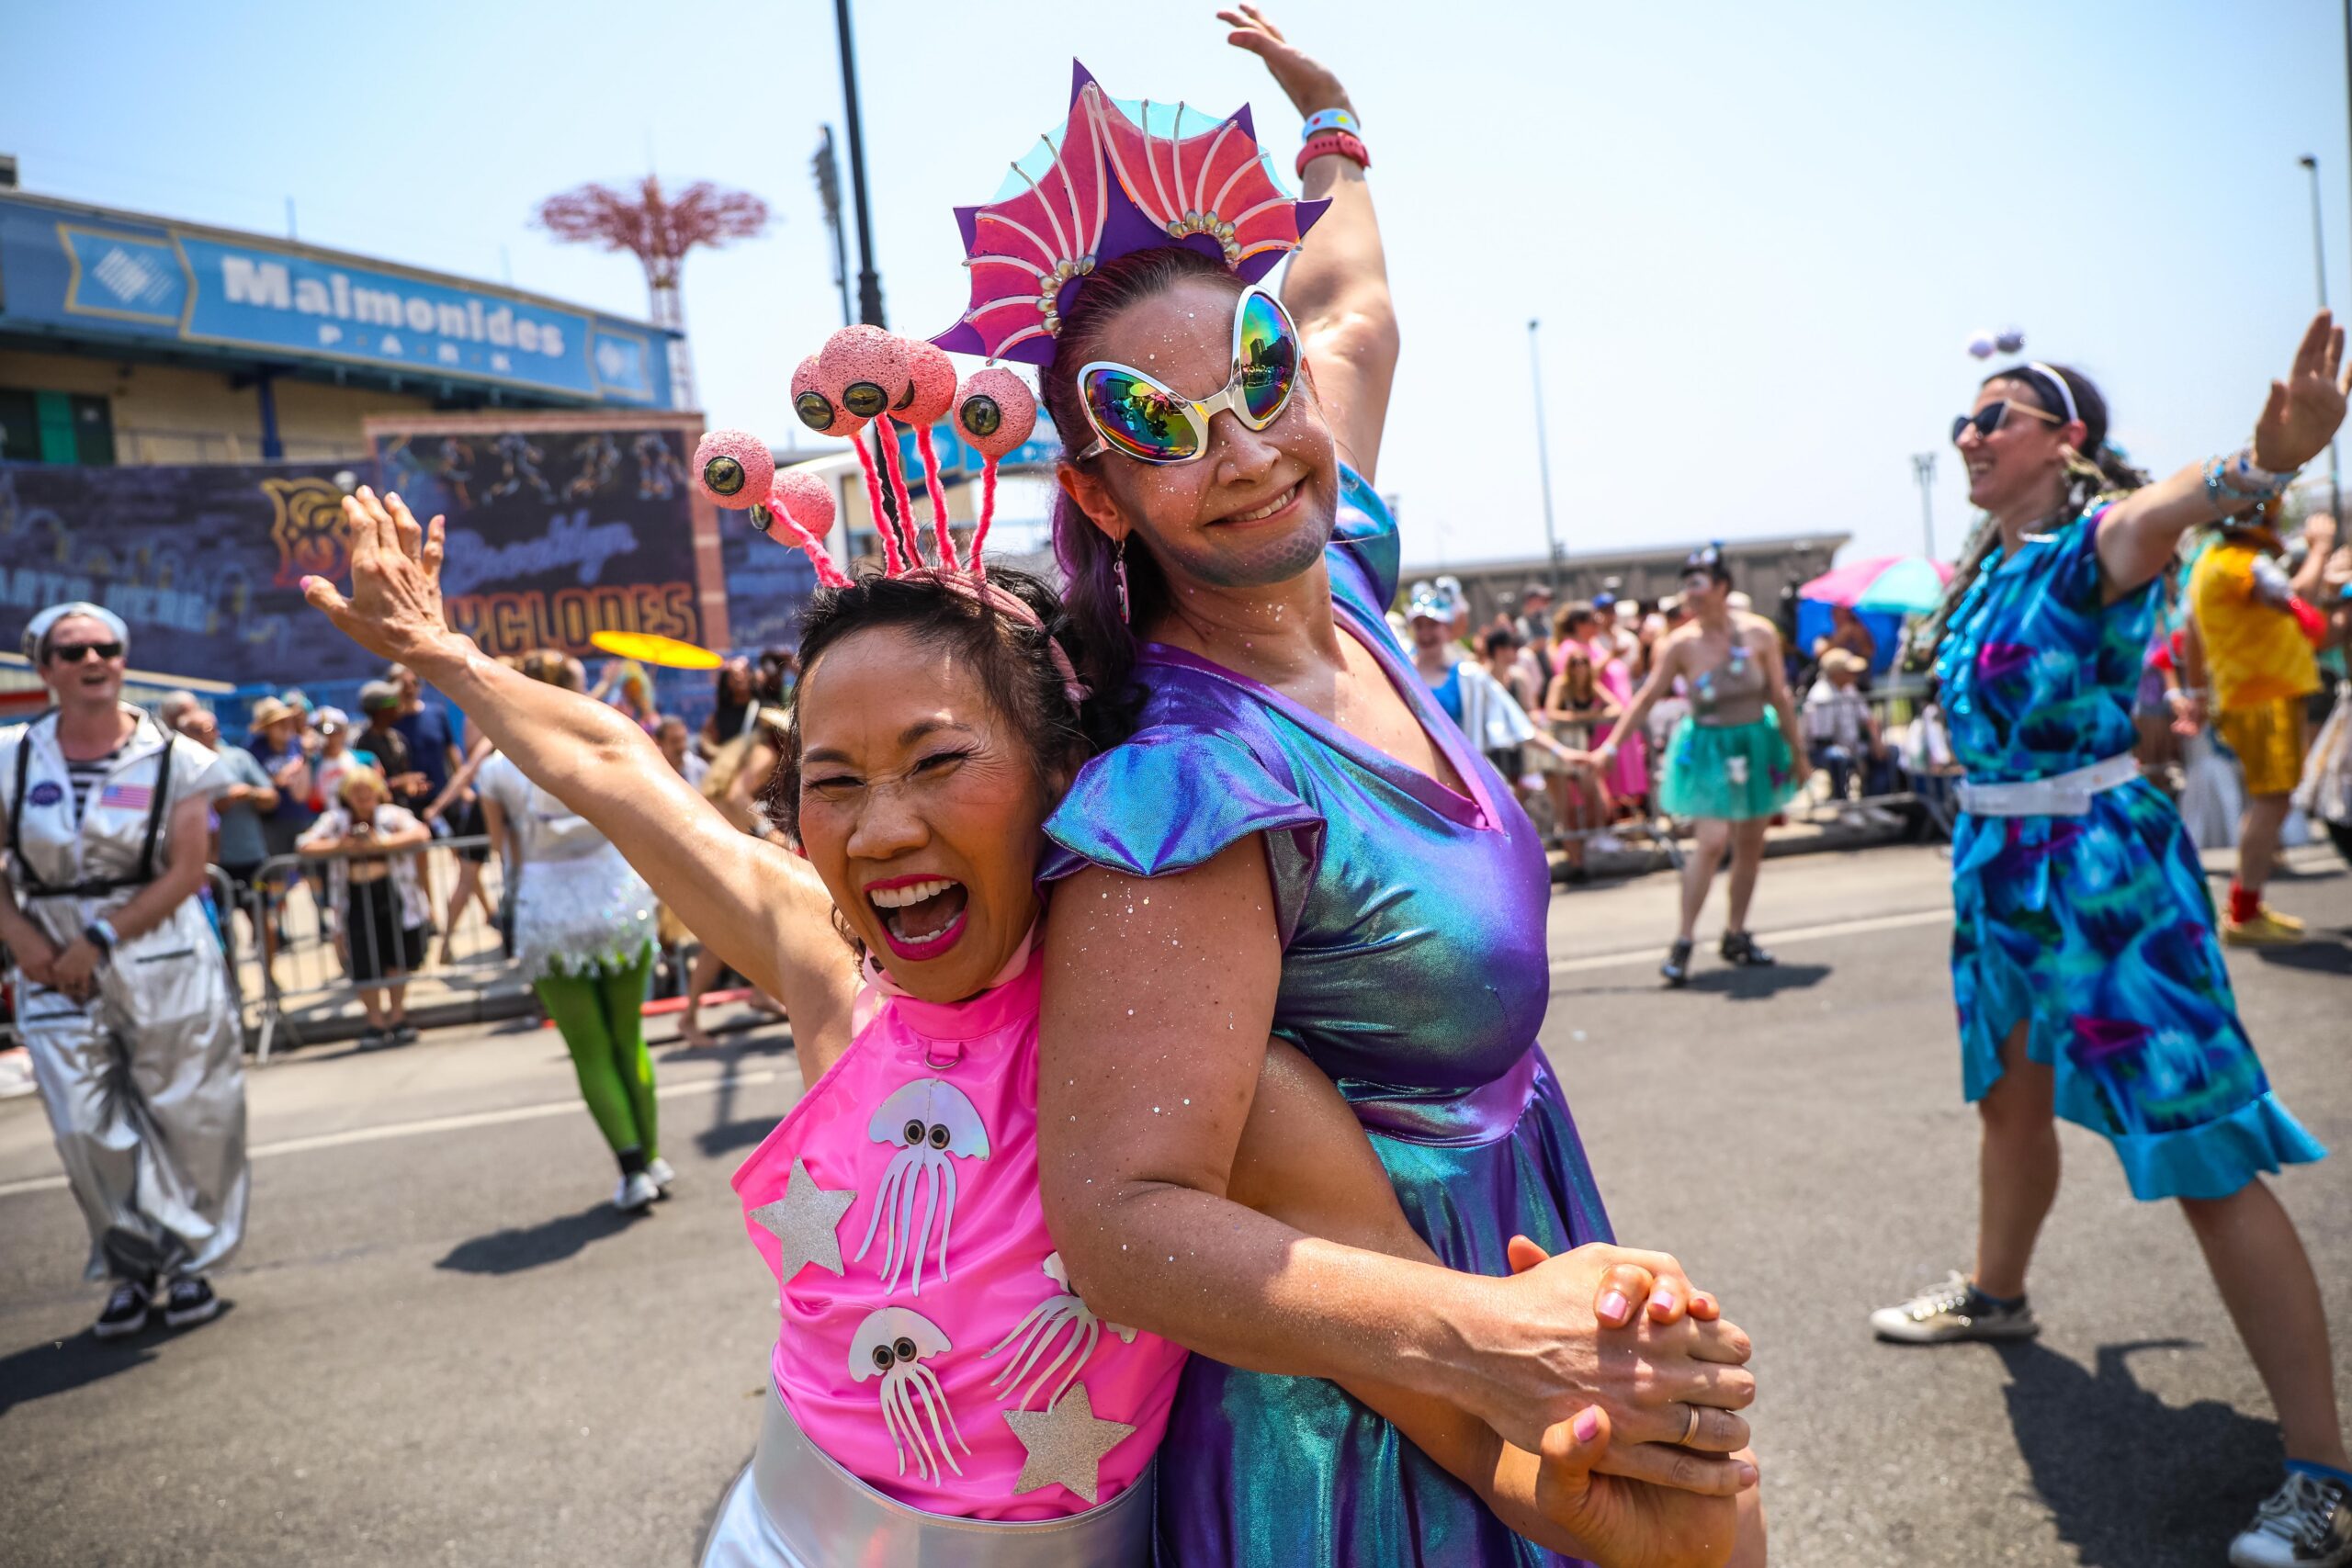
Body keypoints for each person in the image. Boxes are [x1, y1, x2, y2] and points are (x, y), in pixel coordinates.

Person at [306, 479, 1758, 1568]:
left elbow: (1413, 1351)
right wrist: (441, 652)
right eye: (832, 777)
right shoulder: (831, 973)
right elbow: (617, 764)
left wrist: (1582, 1492)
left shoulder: (1201, 1086)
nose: (881, 827)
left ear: (1065, 772)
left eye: (939, 758)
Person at [1021, 16, 1764, 1562]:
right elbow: (1126, 1226)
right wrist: (1490, 1341)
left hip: (1523, 1257)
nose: (1240, 450)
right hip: (1353, 1427)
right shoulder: (1188, 786)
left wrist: (1335, 131)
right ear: (1097, 489)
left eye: (1258, 380)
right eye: (1158, 429)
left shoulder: (1335, 569)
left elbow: (1355, 301)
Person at [1869, 344, 2350, 1567]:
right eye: (1963, 417)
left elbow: (2179, 501)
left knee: (2204, 1149)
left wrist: (2276, 453)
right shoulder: (1983, 572)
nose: (1970, 433)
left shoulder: (2099, 543)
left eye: (1995, 415)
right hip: (1996, 869)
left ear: (2062, 439)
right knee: (2008, 1098)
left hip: (2102, 874)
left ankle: (2323, 1473)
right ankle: (1999, 1287)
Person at [0, 603, 245, 1337]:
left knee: (188, 1113)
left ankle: (189, 1261)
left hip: (161, 949)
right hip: (49, 957)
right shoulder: (8, 755)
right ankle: (129, 1266)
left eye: (105, 646)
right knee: (84, 1126)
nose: (92, 660)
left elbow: (189, 868)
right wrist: (22, 938)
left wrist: (100, 937)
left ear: (124, 659)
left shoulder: (183, 758)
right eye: (73, 651)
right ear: (44, 668)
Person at [477, 650, 669, 1213]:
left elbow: (502, 852)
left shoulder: (497, 765)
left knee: (589, 1050)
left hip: (551, 910)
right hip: (616, 900)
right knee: (627, 1038)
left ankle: (633, 1167)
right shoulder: (603, 744)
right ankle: (652, 1158)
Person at [1598, 546, 1806, 987]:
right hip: (1709, 748)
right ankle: (1685, 939)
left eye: (1698, 582)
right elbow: (1646, 697)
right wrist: (1611, 747)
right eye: (1686, 583)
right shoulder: (1680, 643)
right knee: (1711, 841)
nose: (1689, 592)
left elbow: (1781, 697)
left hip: (1756, 744)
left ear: (1722, 587)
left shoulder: (1760, 634)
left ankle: (1736, 934)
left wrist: (1799, 754)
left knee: (1751, 843)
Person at [2178, 506, 2335, 944]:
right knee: (2271, 801)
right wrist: (2320, 548)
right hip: (2265, 695)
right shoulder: (2246, 563)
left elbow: (2191, 631)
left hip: (2244, 693)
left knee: (2266, 801)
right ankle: (2244, 913)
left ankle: (2245, 907)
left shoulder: (2208, 562)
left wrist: (2197, 695)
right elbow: (2297, 594)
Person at [297, 765, 429, 1047]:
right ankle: (374, 1021)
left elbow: (420, 834)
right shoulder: (336, 821)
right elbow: (305, 844)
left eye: (367, 794)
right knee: (364, 959)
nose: (363, 800)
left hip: (391, 893)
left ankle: (397, 1015)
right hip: (354, 896)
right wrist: (342, 847)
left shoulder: (390, 816)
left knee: (397, 956)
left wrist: (382, 843)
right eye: (356, 794)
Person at [1544, 648, 1621, 875]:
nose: (1579, 667)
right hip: (1559, 752)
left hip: (1582, 751)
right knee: (1565, 808)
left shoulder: (1591, 685)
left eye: (1584, 662)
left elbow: (1616, 706)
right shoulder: (1560, 684)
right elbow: (1551, 713)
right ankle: (1574, 859)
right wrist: (1584, 717)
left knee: (1595, 797)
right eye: (1575, 662)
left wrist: (1592, 716)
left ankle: (1588, 847)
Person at [1801, 648, 1894, 819]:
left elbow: (1868, 719)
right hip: (1822, 750)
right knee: (1838, 757)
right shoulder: (1821, 695)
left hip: (1851, 746)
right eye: (1849, 671)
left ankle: (1872, 802)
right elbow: (1823, 740)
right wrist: (1856, 759)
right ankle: (1844, 806)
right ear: (1837, 673)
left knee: (1890, 752)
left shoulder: (1850, 689)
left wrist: (1876, 741)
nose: (1855, 674)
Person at [245, 694, 317, 863]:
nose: (286, 726)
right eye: (279, 722)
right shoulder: (254, 749)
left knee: (309, 873)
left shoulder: (299, 745)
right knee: (277, 875)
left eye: (288, 721)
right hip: (272, 823)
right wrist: (275, 779)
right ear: (267, 727)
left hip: (300, 817)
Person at [387, 660, 464, 808]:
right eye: (404, 685)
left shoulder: (436, 713)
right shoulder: (390, 723)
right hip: (408, 803)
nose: (409, 689)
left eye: (414, 683)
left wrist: (463, 787)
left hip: (444, 797)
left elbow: (451, 750)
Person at [355, 682, 426, 811]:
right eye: (393, 702)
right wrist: (399, 783)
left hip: (404, 811)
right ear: (380, 710)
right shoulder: (361, 743)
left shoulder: (398, 738)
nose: (399, 704)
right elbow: (364, 784)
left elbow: (404, 773)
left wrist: (412, 784)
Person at [701, 657, 757, 758]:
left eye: (743, 671)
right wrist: (724, 756)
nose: (739, 676)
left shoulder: (766, 710)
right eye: (733, 674)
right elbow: (707, 743)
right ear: (727, 681)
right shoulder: (718, 717)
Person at [657, 714, 710, 789]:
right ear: (659, 742)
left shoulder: (699, 769)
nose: (681, 747)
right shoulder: (651, 768)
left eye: (683, 740)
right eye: (675, 741)